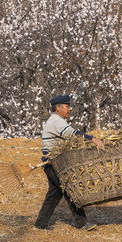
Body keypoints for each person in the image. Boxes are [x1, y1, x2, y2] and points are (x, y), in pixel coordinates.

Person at [34, 94, 104, 230]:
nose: (69, 109)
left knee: (54, 194)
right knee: (70, 190)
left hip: (51, 164)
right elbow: (72, 134)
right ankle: (82, 222)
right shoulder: (56, 121)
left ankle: (40, 224)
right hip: (54, 164)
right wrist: (92, 139)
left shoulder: (55, 120)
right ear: (58, 108)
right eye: (67, 106)